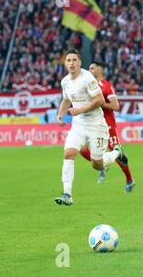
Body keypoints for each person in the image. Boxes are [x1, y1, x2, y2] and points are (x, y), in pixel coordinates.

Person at [54, 49, 127, 206]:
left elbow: (99, 100)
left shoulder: (87, 78)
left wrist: (79, 110)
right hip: (78, 125)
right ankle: (67, 194)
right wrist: (60, 115)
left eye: (74, 60)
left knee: (97, 164)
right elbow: (66, 99)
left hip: (96, 126)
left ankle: (116, 153)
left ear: (80, 62)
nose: (72, 63)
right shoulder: (65, 81)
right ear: (65, 63)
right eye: (69, 60)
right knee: (68, 153)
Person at [78, 61, 135, 193]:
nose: (89, 70)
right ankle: (102, 166)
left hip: (107, 125)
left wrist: (98, 103)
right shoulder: (88, 86)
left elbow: (115, 106)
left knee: (116, 152)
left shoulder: (106, 86)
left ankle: (129, 179)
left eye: (92, 68)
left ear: (100, 70)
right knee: (81, 147)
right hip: (91, 124)